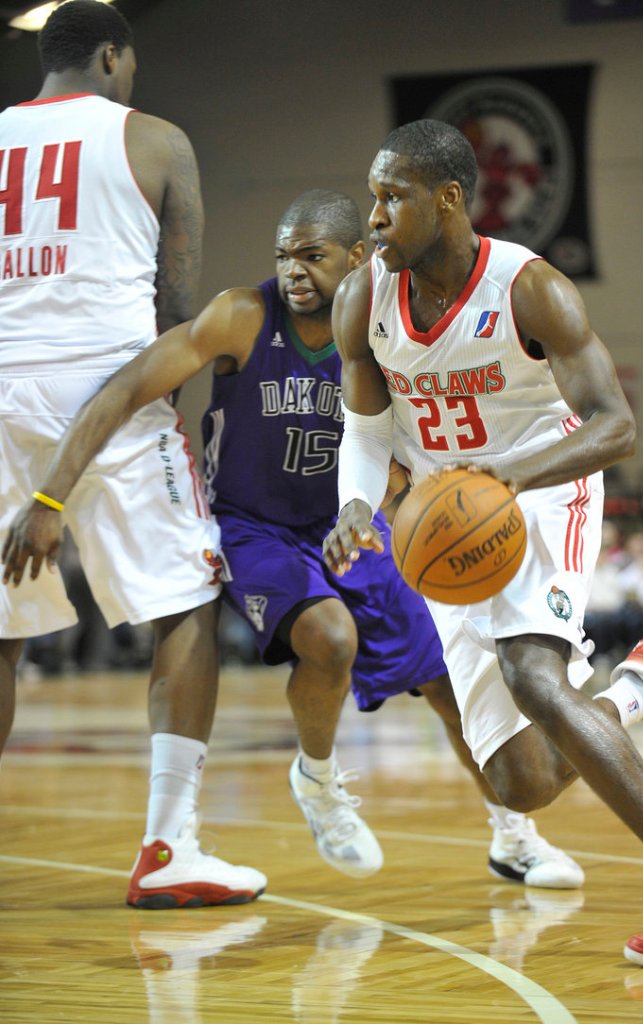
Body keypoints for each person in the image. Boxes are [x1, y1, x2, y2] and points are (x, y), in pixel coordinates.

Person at [3, 179, 585, 888]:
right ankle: (318, 780)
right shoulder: (242, 316)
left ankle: (512, 833)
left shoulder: (387, 325)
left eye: (312, 256)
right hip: (255, 531)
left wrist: (403, 506)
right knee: (331, 640)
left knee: (447, 683)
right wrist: (48, 493)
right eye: (284, 255)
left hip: (353, 522)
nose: (293, 272)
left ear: (360, 256)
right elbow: (127, 387)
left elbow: (402, 448)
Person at [322, 118, 643, 967]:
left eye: (390, 197)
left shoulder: (530, 288)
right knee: (518, 780)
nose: (371, 217)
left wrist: (515, 478)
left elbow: (616, 425)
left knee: (533, 672)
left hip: (545, 491)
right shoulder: (362, 299)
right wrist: (355, 508)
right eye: (371, 197)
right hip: (450, 524)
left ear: (448, 198)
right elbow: (368, 432)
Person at [0, 0, 265, 908]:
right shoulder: (153, 140)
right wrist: (167, 405)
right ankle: (168, 845)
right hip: (107, 383)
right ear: (112, 56)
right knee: (185, 600)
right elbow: (178, 298)